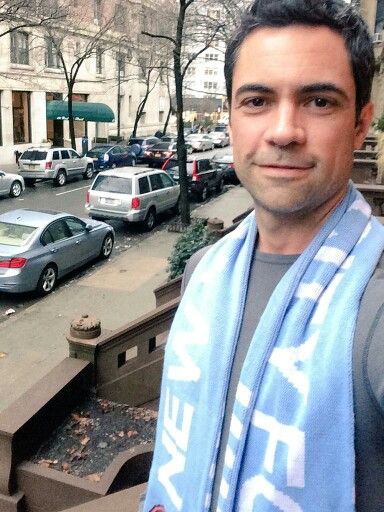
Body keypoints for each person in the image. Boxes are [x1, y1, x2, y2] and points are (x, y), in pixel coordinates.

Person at [144, 1, 384, 511]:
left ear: (361, 124)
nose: (283, 130)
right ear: (230, 119)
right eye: (256, 101)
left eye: (319, 102)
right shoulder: (202, 273)